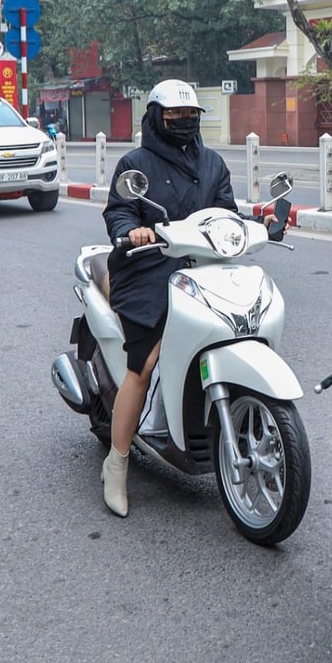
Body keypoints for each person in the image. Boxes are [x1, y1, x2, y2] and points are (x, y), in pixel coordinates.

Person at [99, 79, 237, 518]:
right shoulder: (134, 162)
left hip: (201, 268)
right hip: (146, 270)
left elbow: (225, 210)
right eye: (174, 116)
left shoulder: (212, 163)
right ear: (156, 118)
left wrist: (254, 223)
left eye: (190, 116)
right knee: (146, 363)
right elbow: (119, 209)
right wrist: (130, 232)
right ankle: (117, 463)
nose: (182, 123)